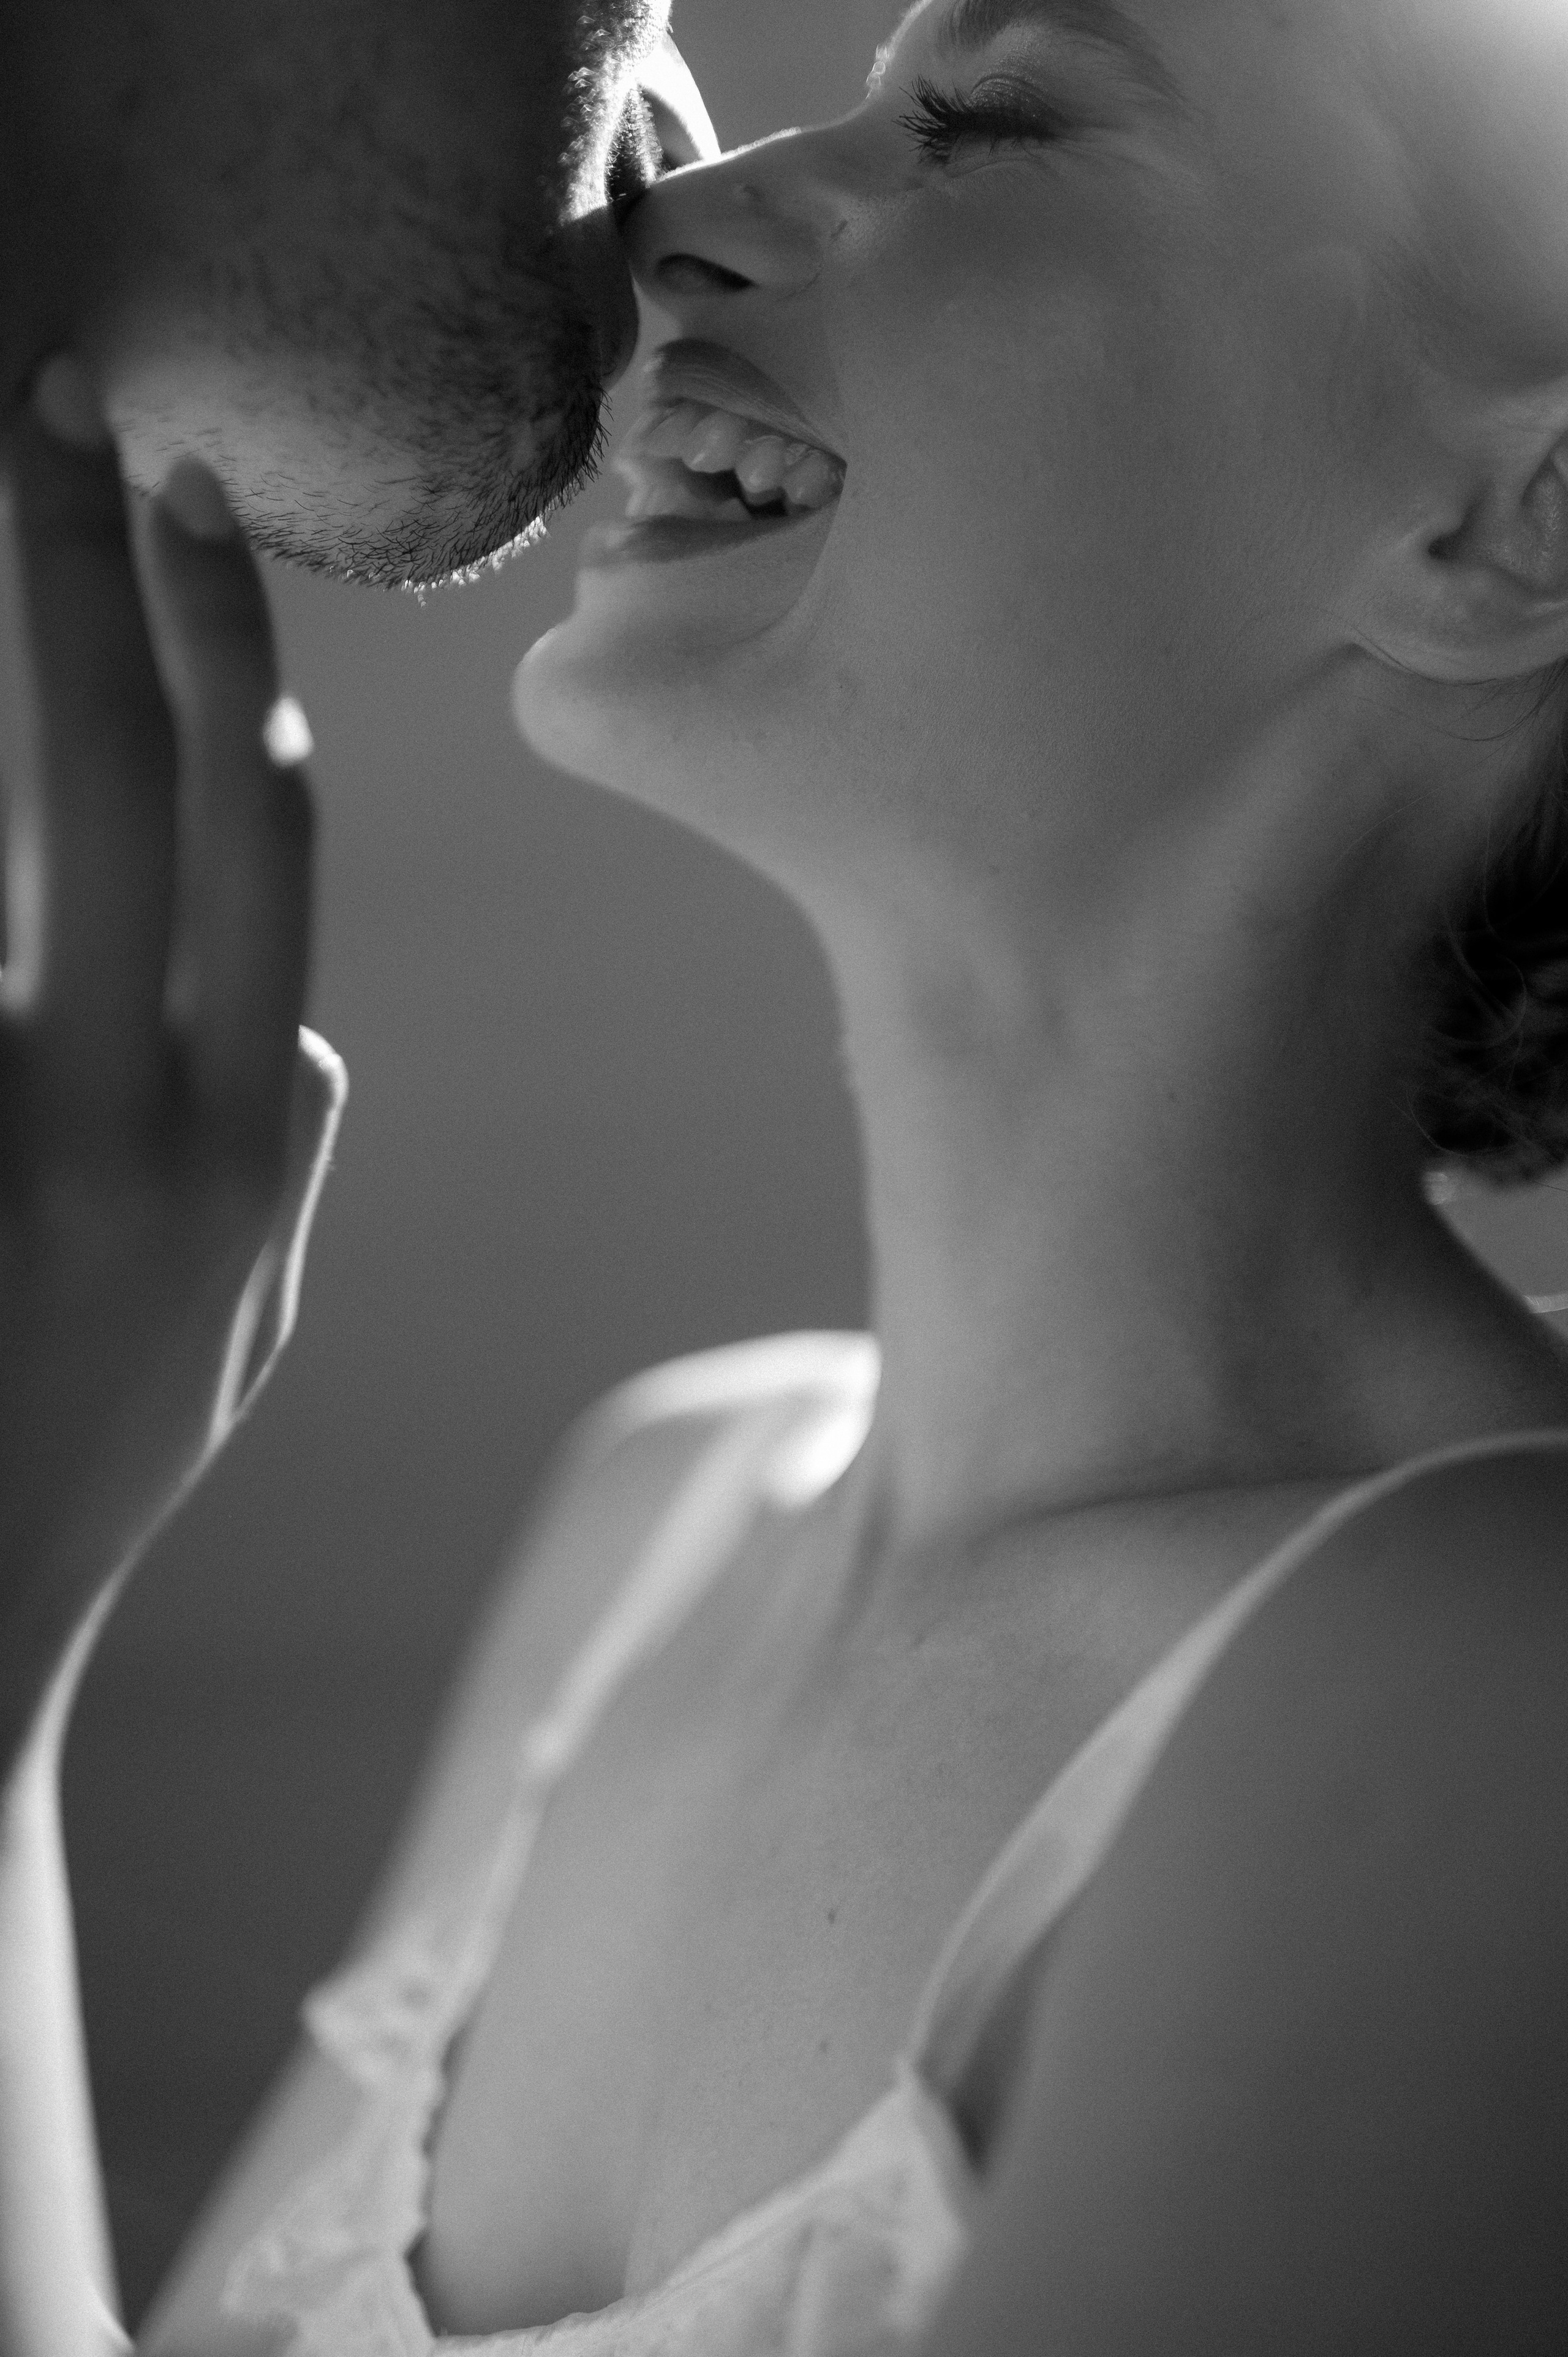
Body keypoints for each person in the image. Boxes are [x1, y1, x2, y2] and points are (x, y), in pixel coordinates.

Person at [2, 0, 1567, 2350]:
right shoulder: (667, 1520)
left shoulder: (1495, 1675)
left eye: (981, 125)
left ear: (1506, 523)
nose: (653, 219)